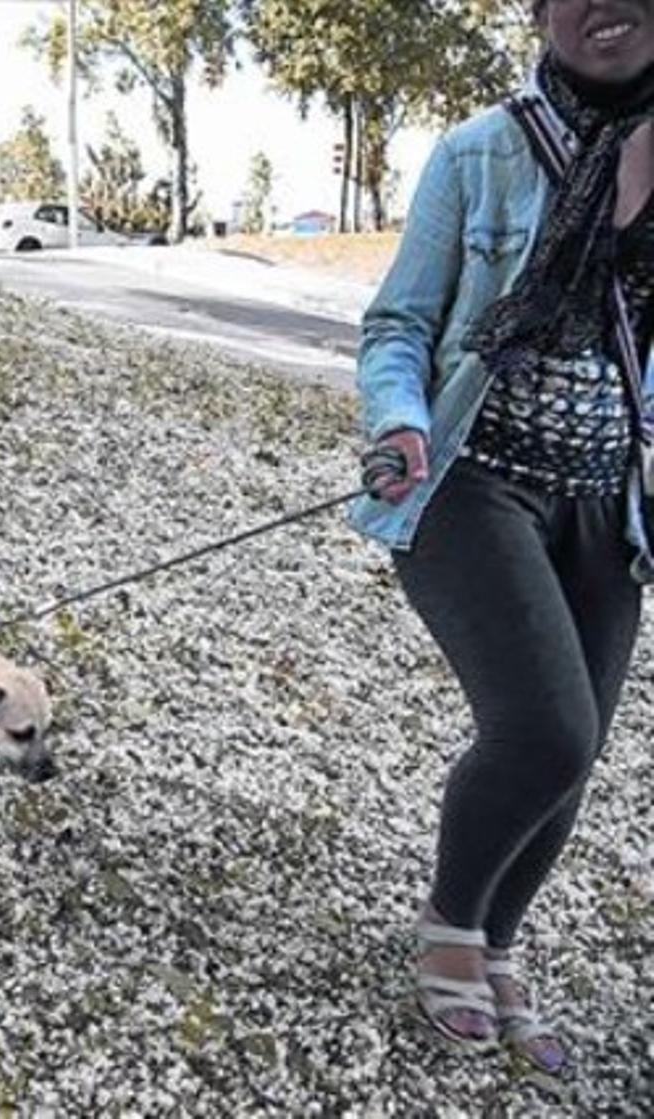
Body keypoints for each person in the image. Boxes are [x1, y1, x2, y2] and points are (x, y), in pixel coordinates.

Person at [349, 0, 654, 1083]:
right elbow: (398, 327)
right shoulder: (482, 152)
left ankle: (499, 946)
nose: (595, 7)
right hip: (468, 483)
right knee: (549, 731)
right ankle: (451, 923)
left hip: (611, 506)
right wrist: (399, 420)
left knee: (575, 758)